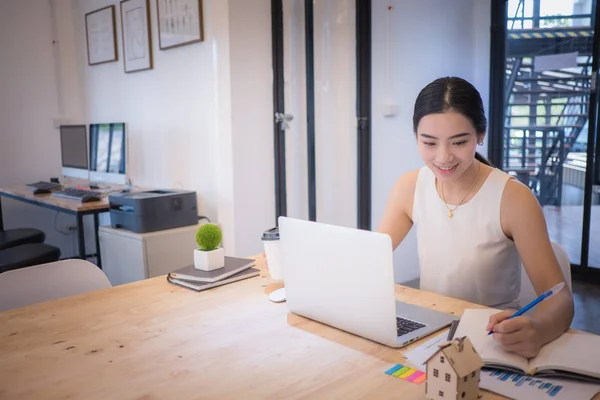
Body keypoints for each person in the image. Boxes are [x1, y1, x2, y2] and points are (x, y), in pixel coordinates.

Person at [377, 76, 574, 358]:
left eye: (458, 142)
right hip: (433, 334)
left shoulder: (513, 198)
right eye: (429, 143)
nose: (443, 157)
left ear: (480, 135)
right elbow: (369, 258)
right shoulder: (409, 187)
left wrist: (538, 329)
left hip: (492, 339)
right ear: (416, 137)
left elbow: (561, 300)